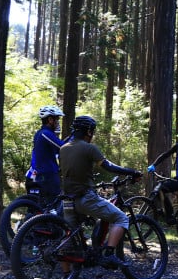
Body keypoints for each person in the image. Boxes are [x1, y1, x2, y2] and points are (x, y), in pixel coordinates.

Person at [60, 115, 142, 269]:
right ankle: (109, 255)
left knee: (69, 238)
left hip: (67, 201)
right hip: (85, 198)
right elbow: (108, 166)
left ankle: (67, 278)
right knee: (122, 218)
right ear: (89, 131)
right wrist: (132, 172)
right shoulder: (88, 148)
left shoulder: (63, 148)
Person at [25, 105, 66, 199]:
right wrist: (74, 138)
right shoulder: (45, 133)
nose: (58, 122)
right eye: (57, 119)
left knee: (38, 206)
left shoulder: (41, 133)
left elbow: (57, 150)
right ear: (50, 119)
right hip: (47, 176)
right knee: (53, 203)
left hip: (39, 175)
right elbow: (63, 147)